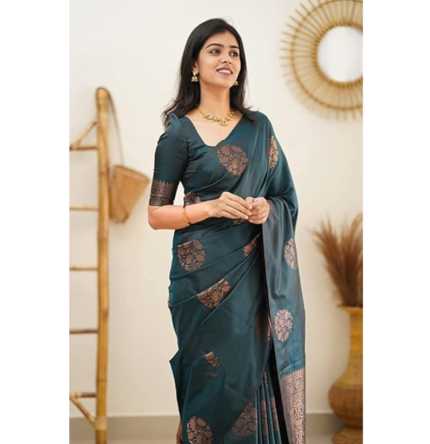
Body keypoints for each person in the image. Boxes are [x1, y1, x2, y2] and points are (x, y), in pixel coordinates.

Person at [148, 18, 306, 444]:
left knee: (252, 372)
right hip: (200, 280)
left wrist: (266, 208)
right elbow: (156, 214)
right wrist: (210, 207)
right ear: (194, 65)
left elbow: (285, 197)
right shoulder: (178, 132)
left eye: (234, 52)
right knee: (207, 382)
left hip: (254, 277)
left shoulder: (259, 128)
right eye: (215, 50)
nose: (227, 59)